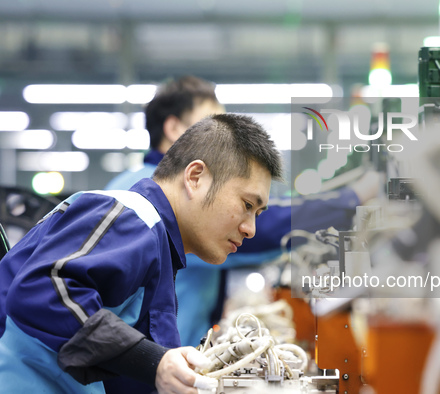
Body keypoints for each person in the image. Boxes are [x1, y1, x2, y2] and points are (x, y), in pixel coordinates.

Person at [0, 113, 283, 393]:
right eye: (247, 204)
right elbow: (42, 290)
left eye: (258, 213)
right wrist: (154, 362)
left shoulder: (157, 248)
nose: (251, 229)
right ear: (196, 177)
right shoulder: (134, 220)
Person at [106, 76, 380, 348]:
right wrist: (352, 198)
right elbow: (268, 229)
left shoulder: (138, 185)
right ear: (174, 128)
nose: (249, 227)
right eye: (211, 126)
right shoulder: (148, 200)